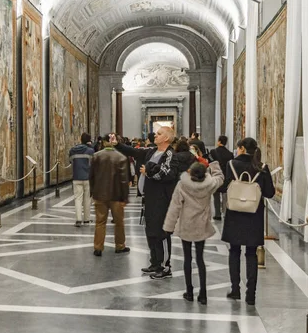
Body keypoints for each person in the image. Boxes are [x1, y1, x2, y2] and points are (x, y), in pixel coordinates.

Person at [114, 126, 178, 279]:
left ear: (166, 138)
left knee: (161, 232)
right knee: (151, 231)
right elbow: (134, 152)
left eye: (159, 134)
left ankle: (165, 266)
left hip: (162, 200)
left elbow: (167, 174)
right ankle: (155, 262)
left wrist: (148, 171)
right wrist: (117, 144)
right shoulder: (151, 151)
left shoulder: (170, 154)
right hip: (149, 198)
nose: (155, 135)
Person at [222, 137, 275, 305]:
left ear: (242, 148)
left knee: (234, 252)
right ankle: (251, 294)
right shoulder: (262, 167)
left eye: (238, 148)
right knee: (251, 254)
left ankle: (235, 289)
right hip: (254, 214)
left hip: (235, 213)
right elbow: (269, 193)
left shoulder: (231, 164)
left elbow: (224, 187)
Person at [163, 162, 224, 305]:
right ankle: (203, 294)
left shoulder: (182, 185)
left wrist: (169, 226)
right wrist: (214, 164)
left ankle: (189, 291)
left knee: (187, 259)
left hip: (186, 225)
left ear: (190, 172)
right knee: (200, 259)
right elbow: (220, 178)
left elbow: (175, 206)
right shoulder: (209, 185)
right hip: (201, 225)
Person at [89, 134, 130, 257]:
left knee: (100, 222)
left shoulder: (96, 156)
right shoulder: (121, 157)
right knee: (119, 222)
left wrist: (93, 192)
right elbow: (124, 180)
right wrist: (125, 197)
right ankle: (120, 245)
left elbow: (91, 176)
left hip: (100, 195)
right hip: (116, 196)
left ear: (104, 142)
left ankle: (98, 247)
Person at [69, 133, 95, 227]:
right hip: (87, 178)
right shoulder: (90, 151)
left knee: (78, 199)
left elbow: (71, 161)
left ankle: (78, 219)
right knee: (87, 199)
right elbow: (93, 165)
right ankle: (86, 219)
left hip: (76, 177)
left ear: (81, 139)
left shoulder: (73, 150)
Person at [209, 135, 234, 220]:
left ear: (219, 141)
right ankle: (225, 213)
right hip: (226, 176)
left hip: (216, 176)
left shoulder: (213, 152)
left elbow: (210, 164)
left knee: (216, 195)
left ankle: (217, 214)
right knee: (225, 195)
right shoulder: (230, 154)